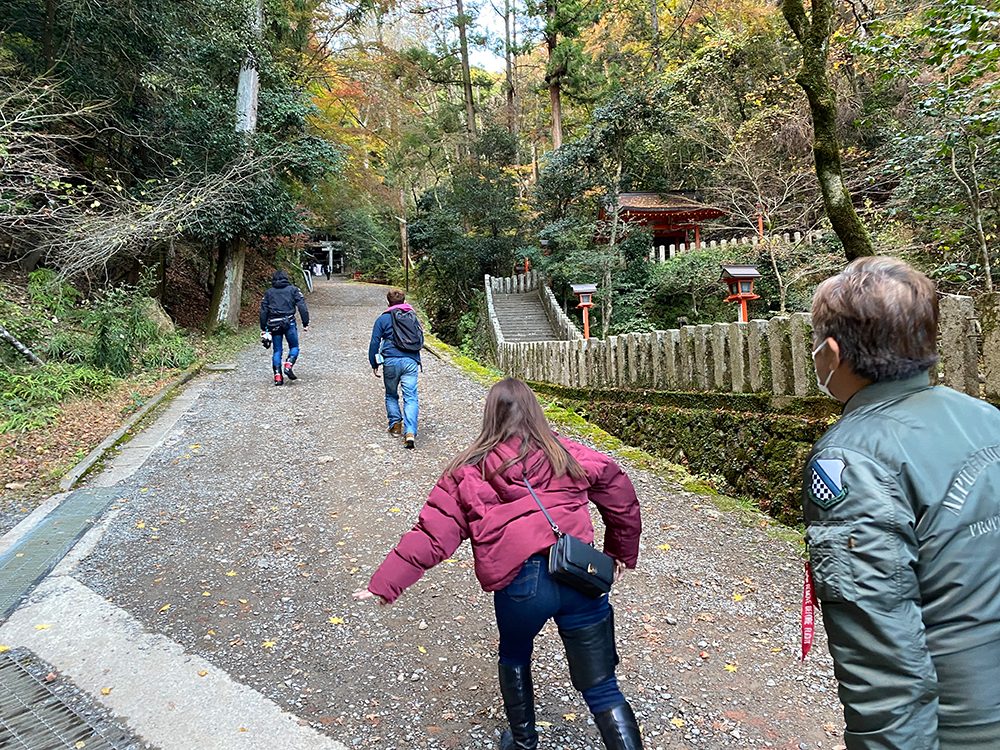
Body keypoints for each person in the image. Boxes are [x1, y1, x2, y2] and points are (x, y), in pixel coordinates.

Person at [354, 378, 643, 750]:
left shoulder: (468, 470)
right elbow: (621, 494)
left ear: (490, 415)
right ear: (536, 412)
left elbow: (432, 534)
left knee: (514, 654)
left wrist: (385, 583)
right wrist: (619, 550)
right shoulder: (568, 453)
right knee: (602, 686)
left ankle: (523, 743)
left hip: (522, 585)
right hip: (578, 573)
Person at [802, 256, 1000, 749]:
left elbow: (879, 642)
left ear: (832, 353)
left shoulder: (850, 458)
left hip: (960, 723)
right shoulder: (983, 417)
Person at [368, 288, 420, 448]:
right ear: (404, 302)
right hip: (411, 361)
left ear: (388, 303)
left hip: (390, 361)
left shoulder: (383, 319)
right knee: (410, 397)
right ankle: (410, 432)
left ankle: (396, 425)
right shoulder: (412, 316)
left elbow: (374, 343)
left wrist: (374, 363)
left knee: (391, 394)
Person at [260, 269, 309, 386]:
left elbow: (263, 311)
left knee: (277, 350)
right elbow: (302, 306)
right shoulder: (293, 290)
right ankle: (288, 365)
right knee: (294, 346)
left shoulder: (269, 293)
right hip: (289, 322)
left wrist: (264, 328)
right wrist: (305, 322)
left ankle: (277, 376)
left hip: (274, 324)